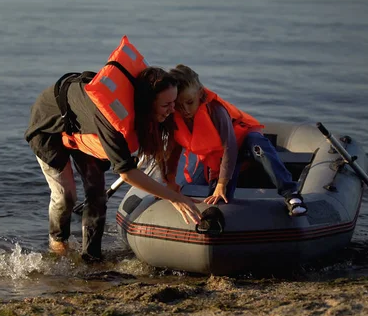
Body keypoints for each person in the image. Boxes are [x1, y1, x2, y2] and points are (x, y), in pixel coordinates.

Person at [24, 37, 201, 263]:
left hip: (85, 132)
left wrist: (169, 179)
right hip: (49, 125)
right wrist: (175, 198)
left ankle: (92, 259)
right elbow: (126, 173)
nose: (172, 110)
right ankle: (58, 244)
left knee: (96, 194)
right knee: (66, 196)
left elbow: (174, 140)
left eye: (174, 103)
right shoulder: (111, 117)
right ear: (148, 103)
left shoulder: (154, 107)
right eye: (166, 105)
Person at [166, 64, 307, 217]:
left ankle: (291, 193)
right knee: (217, 200)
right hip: (219, 159)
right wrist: (171, 181)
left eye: (189, 102)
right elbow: (173, 151)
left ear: (200, 94)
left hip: (244, 143)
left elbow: (229, 147)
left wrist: (222, 184)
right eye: (179, 105)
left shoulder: (216, 111)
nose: (185, 110)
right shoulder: (175, 118)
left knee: (258, 145)